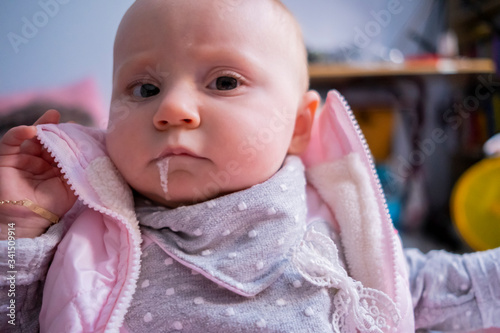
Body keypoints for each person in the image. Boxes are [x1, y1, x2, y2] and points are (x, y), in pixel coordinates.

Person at [0, 0, 499, 332]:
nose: (171, 109)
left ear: (299, 127)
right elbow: (12, 316)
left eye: (223, 82)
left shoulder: (333, 233)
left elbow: (433, 289)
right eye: (144, 89)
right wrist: (17, 232)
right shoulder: (84, 237)